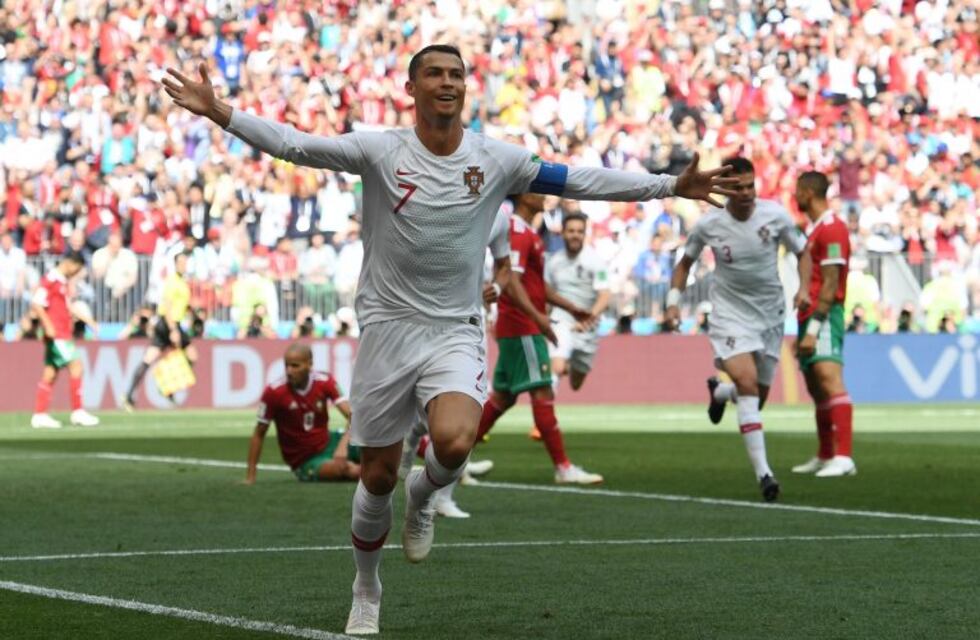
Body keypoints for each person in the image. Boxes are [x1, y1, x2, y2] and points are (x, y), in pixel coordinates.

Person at [161, 45, 735, 635]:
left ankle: (425, 491)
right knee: (375, 477)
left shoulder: (495, 158)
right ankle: (366, 587)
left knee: (456, 442)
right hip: (387, 330)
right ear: (411, 88)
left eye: (456, 74)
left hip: (455, 329)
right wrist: (220, 112)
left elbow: (578, 180)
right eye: (434, 73)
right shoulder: (380, 150)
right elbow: (294, 144)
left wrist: (670, 185)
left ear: (465, 87)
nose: (447, 82)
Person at [666, 157, 808, 502]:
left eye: (750, 186)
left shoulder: (775, 216)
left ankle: (719, 394)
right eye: (738, 188)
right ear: (725, 189)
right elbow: (684, 264)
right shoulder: (709, 224)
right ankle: (765, 475)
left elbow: (803, 252)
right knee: (746, 383)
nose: (745, 193)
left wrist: (804, 287)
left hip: (770, 315)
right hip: (729, 314)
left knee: (756, 396)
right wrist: (673, 301)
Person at [476, 192, 603, 484]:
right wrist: (538, 317)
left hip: (517, 325)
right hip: (522, 326)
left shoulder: (529, 232)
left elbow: (535, 285)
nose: (544, 194)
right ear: (523, 195)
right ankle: (563, 468)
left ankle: (449, 460)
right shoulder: (518, 231)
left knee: (502, 398)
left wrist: (571, 307)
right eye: (537, 189)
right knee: (543, 392)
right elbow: (511, 281)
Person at [792, 171, 857, 478]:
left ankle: (844, 457)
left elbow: (831, 283)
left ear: (808, 192)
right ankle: (826, 454)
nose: (795, 196)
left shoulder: (833, 229)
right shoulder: (815, 229)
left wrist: (815, 329)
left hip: (825, 315)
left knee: (830, 379)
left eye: (798, 191)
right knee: (816, 387)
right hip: (809, 315)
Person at [245, 343, 359, 484]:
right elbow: (259, 433)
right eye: (286, 366)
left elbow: (353, 416)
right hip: (306, 460)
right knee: (346, 470)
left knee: (374, 442)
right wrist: (250, 476)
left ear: (309, 364)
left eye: (295, 366)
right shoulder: (274, 392)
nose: (289, 371)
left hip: (330, 442)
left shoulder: (324, 382)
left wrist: (342, 447)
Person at [30, 251, 100, 429]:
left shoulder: (62, 281)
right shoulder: (51, 279)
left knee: (50, 373)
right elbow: (37, 303)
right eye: (77, 269)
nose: (76, 273)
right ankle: (78, 412)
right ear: (70, 263)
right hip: (57, 334)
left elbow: (68, 306)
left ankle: (39, 415)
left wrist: (89, 321)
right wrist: (48, 326)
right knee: (77, 365)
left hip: (62, 333)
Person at [543, 211, 611, 395]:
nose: (575, 235)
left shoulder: (596, 262)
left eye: (580, 231)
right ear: (563, 233)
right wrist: (543, 321)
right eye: (571, 231)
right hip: (561, 319)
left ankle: (568, 363)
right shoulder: (553, 262)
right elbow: (547, 295)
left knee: (576, 384)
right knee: (556, 366)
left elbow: (605, 295)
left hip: (587, 326)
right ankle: (545, 410)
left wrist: (589, 318)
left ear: (585, 234)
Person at [121, 252, 197, 410]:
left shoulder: (183, 282)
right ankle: (133, 394)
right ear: (175, 264)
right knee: (190, 355)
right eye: (181, 262)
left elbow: (181, 305)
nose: (184, 265)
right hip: (168, 323)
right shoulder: (172, 281)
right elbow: (167, 307)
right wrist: (173, 329)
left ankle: (133, 394)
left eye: (185, 262)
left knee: (150, 358)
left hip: (173, 323)